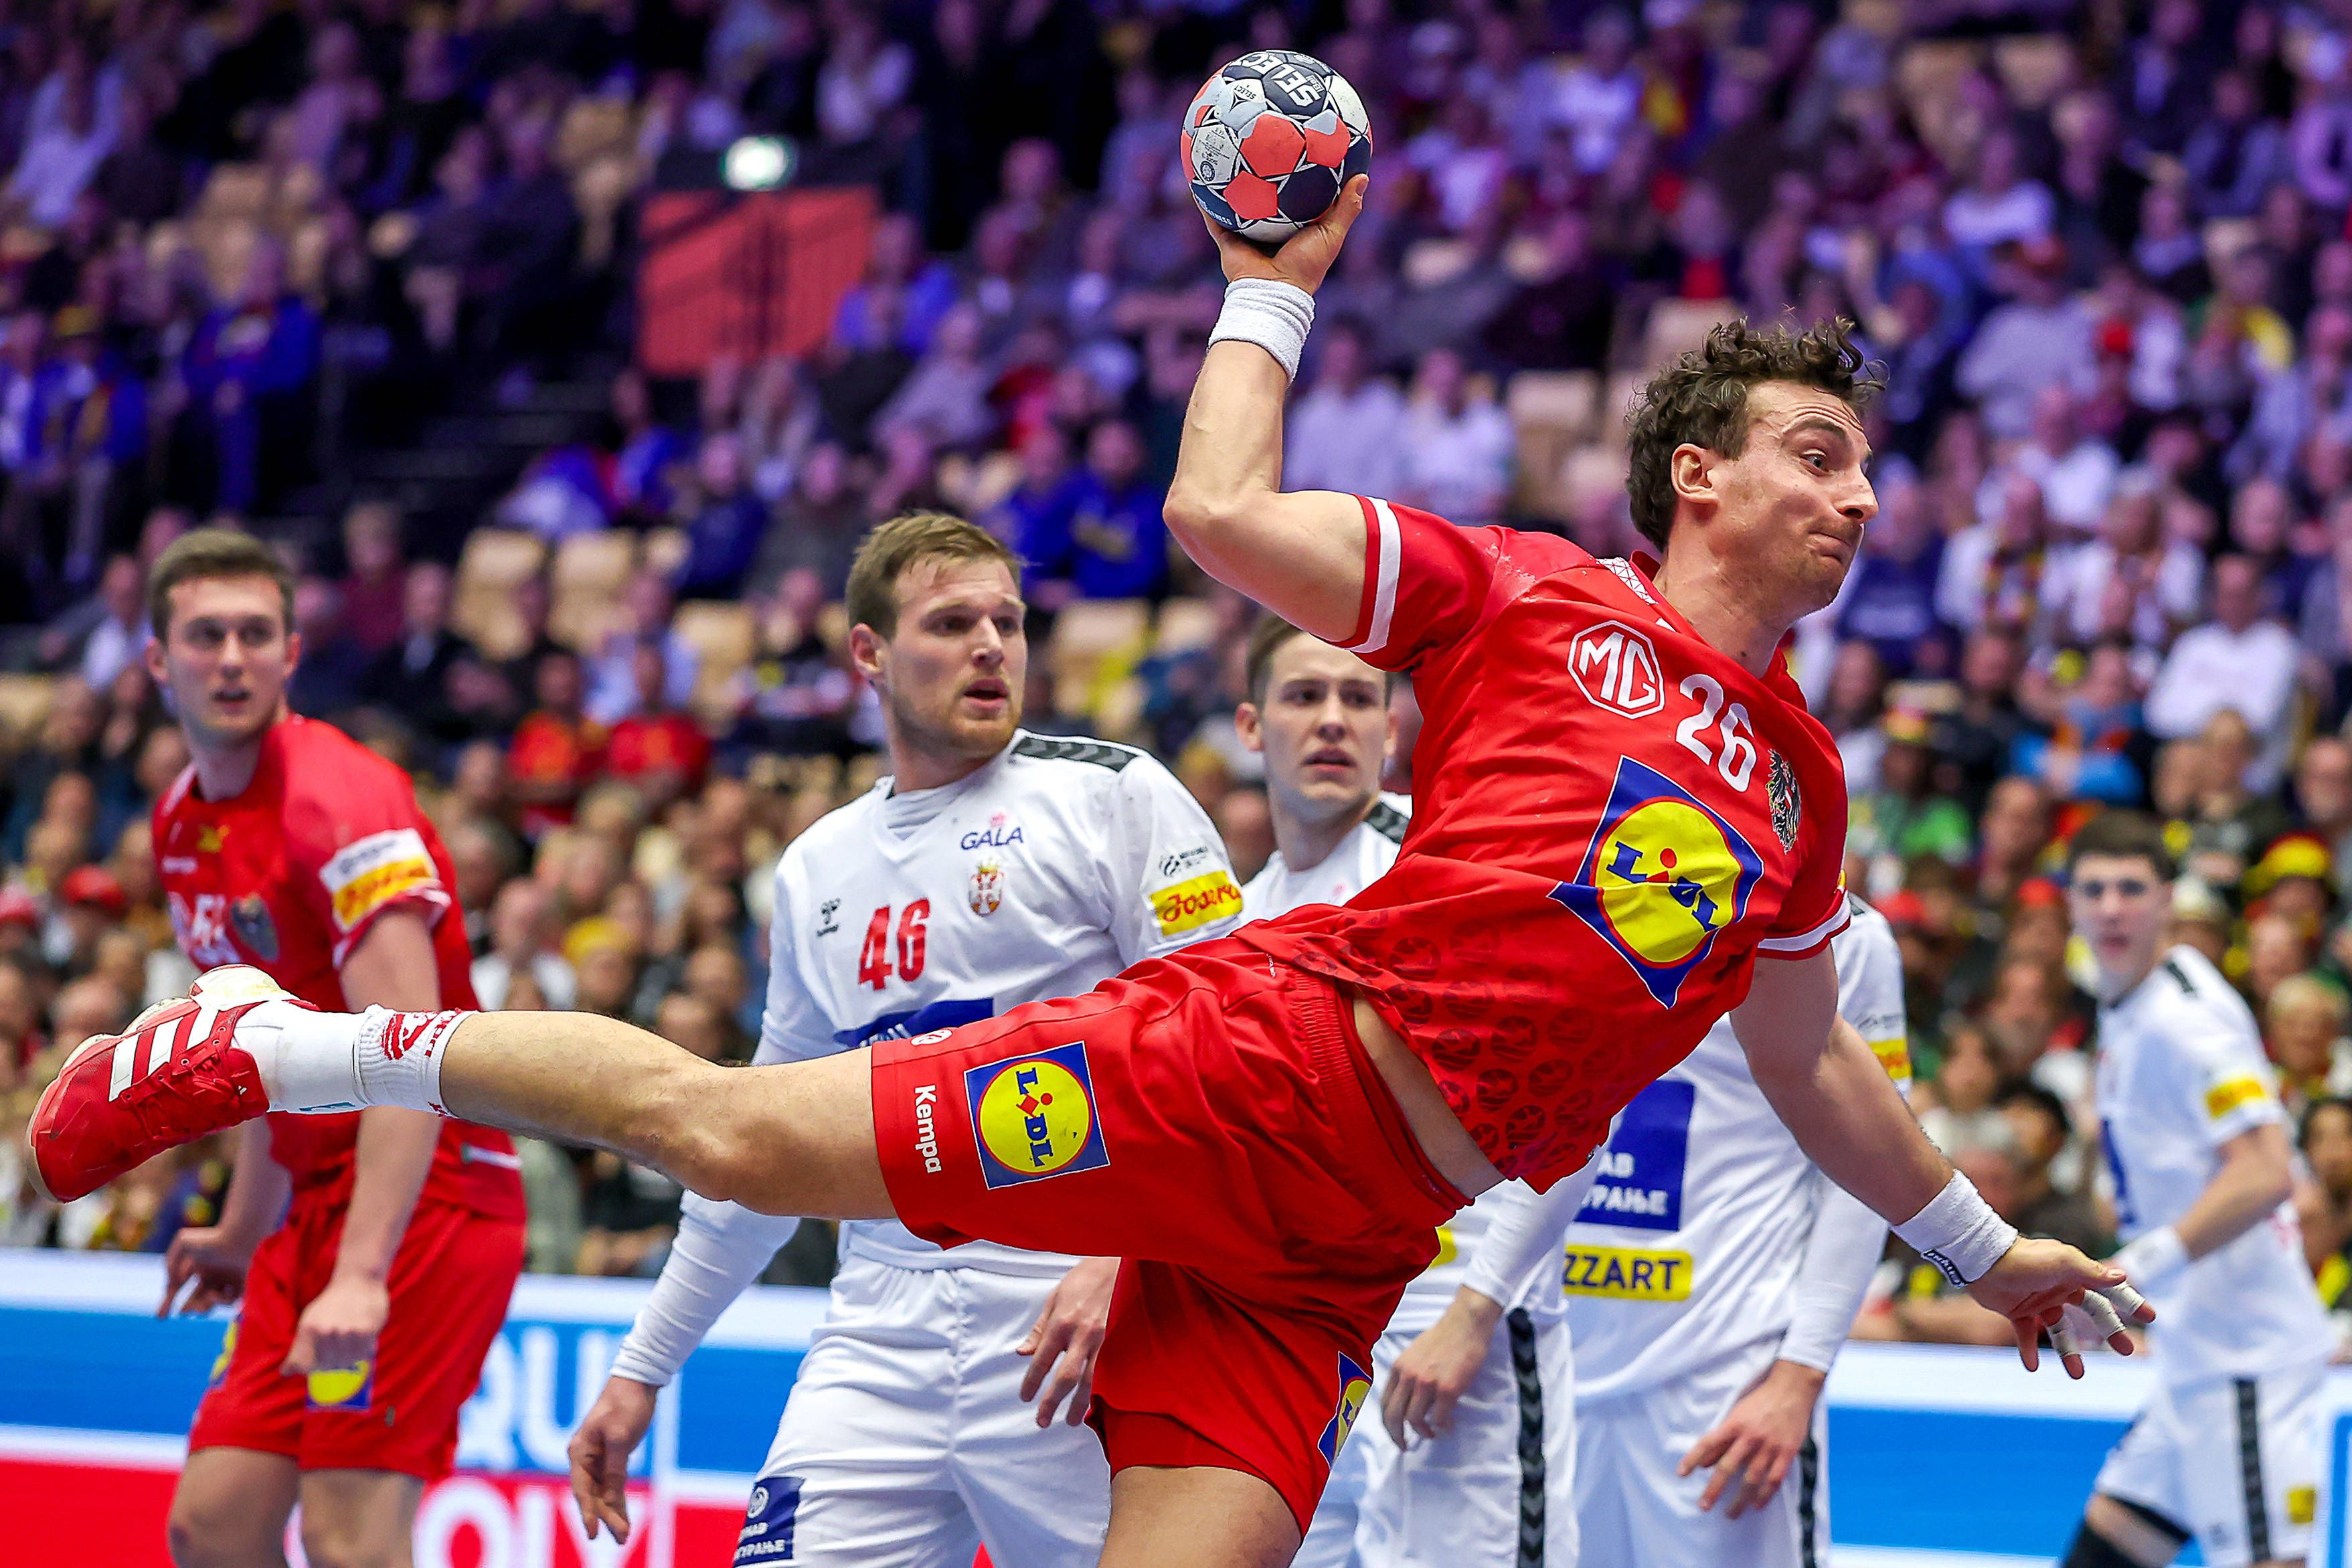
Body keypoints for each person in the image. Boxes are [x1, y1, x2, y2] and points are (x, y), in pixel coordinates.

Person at [35, 180, 2147, 1568]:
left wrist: (1985, 1249)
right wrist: (1269, 283)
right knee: (730, 1133)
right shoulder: (1523, 593)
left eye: (1863, 467)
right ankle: (278, 1035)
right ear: (1700, 474)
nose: (1857, 494)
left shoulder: (1802, 777)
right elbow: (1216, 508)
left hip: (1349, 1235)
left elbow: (1811, 1068)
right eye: (1817, 453)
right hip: (1256, 1066)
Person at [562, 510, 1246, 1564]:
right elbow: (759, 1149)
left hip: (1076, 1309)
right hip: (879, 1323)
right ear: (868, 653)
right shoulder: (815, 867)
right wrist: (642, 1365)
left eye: (1008, 621)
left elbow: (1235, 1040)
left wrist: (1137, 1253)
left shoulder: (1109, 792)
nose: (990, 645)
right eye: (952, 621)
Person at [137, 528, 525, 1568]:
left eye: (256, 633)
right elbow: (275, 1058)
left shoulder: (339, 802)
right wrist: (239, 1225)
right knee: (213, 1524)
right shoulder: (178, 826)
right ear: (157, 660)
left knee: (351, 1533)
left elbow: (407, 1056)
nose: (231, 656)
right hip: (308, 1205)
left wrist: (361, 1273)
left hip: (428, 1192)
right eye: (205, 634)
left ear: (291, 653)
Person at [1238, 613, 1579, 1568]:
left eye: (1358, 698)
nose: (1333, 720)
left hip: (1455, 1327)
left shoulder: (1446, 869)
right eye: (1304, 696)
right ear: (1250, 726)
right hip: (1317, 1342)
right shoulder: (1249, 913)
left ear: (1393, 730)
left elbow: (1586, 1103)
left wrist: (1477, 1309)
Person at [1570, 895, 1905, 1568]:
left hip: (1724, 1379)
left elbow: (1867, 1171)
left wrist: (1799, 1375)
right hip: (1559, 1360)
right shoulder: (1573, 892)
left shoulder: (1851, 935)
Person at [2062, 810, 2331, 1568]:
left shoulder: (2184, 1022)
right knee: (2110, 1543)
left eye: (2130, 889)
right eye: (2094, 889)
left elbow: (2266, 1171)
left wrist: (2131, 1271)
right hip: (2194, 1354)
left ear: (2167, 900)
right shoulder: (2137, 1002)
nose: (2111, 907)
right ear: (2070, 903)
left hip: (2243, 1363)